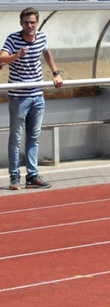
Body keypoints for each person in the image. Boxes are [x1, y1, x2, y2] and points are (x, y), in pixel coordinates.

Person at [0, 7, 63, 190]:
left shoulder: (42, 37)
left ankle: (32, 175)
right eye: (26, 22)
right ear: (21, 23)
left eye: (33, 22)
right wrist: (16, 55)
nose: (30, 25)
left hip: (37, 95)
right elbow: (1, 58)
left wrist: (55, 73)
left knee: (34, 137)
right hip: (19, 97)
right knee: (16, 138)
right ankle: (14, 176)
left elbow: (47, 53)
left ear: (37, 23)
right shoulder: (13, 39)